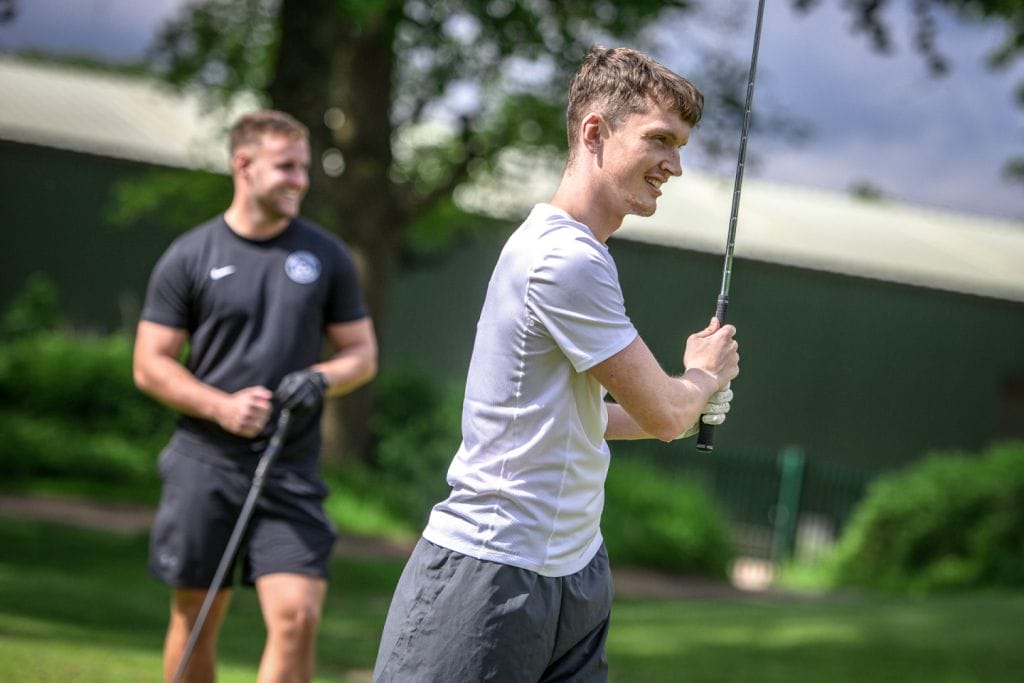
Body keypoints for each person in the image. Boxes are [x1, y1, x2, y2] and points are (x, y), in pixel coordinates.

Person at [372, 46, 740, 682]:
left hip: (575, 572)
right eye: (660, 139)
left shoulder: (583, 254)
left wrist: (689, 403)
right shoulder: (563, 258)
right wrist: (701, 378)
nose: (675, 166)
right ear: (594, 132)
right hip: (491, 572)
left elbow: (583, 418)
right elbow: (663, 413)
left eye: (680, 147)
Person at [133, 109, 378, 683]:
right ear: (243, 165)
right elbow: (149, 364)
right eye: (286, 167)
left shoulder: (327, 256)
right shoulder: (190, 255)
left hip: (289, 468)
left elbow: (361, 355)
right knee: (197, 616)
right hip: (205, 464)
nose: (300, 180)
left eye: (304, 168)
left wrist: (321, 378)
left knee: (297, 617)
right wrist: (219, 406)